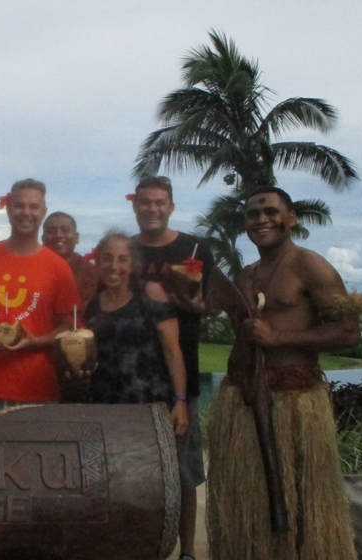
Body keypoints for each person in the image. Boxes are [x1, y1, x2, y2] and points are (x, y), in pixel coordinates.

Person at [206, 187, 359, 560]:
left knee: (302, 508)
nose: (261, 219)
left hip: (296, 407)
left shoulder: (310, 266)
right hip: (244, 406)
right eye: (252, 214)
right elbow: (234, 325)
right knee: (249, 511)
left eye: (271, 211)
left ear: (291, 217)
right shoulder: (246, 276)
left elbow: (349, 332)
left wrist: (279, 339)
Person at [131, 176, 215, 560]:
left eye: (160, 202)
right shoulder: (126, 250)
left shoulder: (194, 248)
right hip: (132, 377)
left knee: (183, 472)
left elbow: (212, 304)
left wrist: (195, 304)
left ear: (171, 207)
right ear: (135, 206)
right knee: (136, 470)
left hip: (181, 377)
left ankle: (187, 553)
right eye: (145, 202)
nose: (153, 208)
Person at [0, 179, 80, 414]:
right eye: (20, 206)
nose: (26, 213)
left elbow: (70, 325)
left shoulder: (58, 267)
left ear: (43, 212)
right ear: (8, 208)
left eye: (34, 207)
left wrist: (36, 341)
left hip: (38, 391)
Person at [81, 231, 188, 434]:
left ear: (132, 265)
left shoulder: (150, 293)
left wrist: (180, 401)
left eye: (122, 259)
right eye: (107, 258)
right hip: (103, 407)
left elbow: (172, 351)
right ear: (99, 262)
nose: (114, 266)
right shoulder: (92, 304)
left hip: (148, 405)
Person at [42, 211, 99, 309]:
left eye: (65, 230)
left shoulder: (92, 273)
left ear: (77, 237)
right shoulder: (32, 270)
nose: (58, 235)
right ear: (43, 239)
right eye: (51, 231)